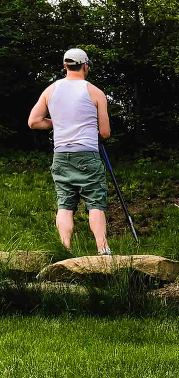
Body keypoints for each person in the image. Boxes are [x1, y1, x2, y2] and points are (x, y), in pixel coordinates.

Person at [28, 48, 112, 255]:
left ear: (65, 66)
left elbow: (34, 122)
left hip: (61, 155)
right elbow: (105, 132)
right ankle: (102, 249)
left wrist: (56, 122)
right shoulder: (95, 92)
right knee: (95, 202)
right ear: (85, 66)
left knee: (65, 203)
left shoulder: (50, 91)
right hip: (87, 155)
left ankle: (65, 250)